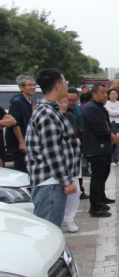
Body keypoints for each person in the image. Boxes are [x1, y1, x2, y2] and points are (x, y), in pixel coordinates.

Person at [25, 69, 79, 227]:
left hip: (53, 183)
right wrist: (66, 181)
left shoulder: (50, 111)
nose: (66, 86)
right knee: (48, 231)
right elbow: (53, 153)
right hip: (51, 183)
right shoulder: (47, 114)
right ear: (57, 86)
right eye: (64, 82)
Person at [83, 83, 118, 217]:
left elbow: (107, 125)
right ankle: (95, 207)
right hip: (96, 148)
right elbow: (99, 129)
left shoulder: (100, 107)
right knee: (97, 178)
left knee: (104, 174)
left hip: (104, 147)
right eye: (102, 92)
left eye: (106, 92)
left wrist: (113, 134)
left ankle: (101, 199)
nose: (105, 95)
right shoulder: (91, 108)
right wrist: (111, 136)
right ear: (94, 94)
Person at [58, 97, 82, 233]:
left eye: (65, 102)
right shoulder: (51, 119)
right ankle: (59, 219)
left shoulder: (70, 117)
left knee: (75, 191)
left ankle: (69, 219)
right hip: (59, 163)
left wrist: (78, 138)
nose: (63, 104)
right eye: (60, 102)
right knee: (60, 192)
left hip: (73, 160)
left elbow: (79, 131)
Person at [6, 75, 37, 172]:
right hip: (19, 143)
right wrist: (21, 142)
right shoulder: (17, 101)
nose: (32, 87)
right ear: (21, 88)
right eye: (29, 85)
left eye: (34, 85)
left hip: (29, 140)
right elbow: (15, 123)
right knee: (21, 169)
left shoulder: (30, 101)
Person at [105, 89, 119, 167]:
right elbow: (109, 112)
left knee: (118, 141)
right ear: (109, 95)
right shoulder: (107, 103)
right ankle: (112, 159)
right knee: (112, 141)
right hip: (111, 123)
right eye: (113, 93)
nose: (114, 95)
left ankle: (117, 159)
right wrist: (118, 113)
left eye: (116, 93)